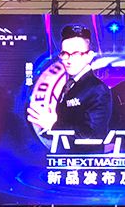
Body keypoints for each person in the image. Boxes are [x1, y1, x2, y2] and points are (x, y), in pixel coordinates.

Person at [27, 24, 112, 154]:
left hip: (86, 162)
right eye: (64, 54)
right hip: (66, 160)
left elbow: (95, 135)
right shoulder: (69, 85)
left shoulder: (97, 89)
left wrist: (54, 125)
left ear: (89, 56)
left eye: (75, 54)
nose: (68, 60)